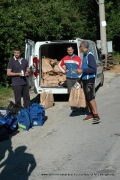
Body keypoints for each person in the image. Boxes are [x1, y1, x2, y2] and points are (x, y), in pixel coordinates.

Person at [75, 41, 101, 124]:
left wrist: (82, 70)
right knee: (86, 98)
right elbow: (85, 68)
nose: (79, 48)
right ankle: (91, 114)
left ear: (82, 46)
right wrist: (80, 78)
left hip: (90, 79)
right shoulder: (84, 55)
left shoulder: (89, 55)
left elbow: (93, 69)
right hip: (85, 78)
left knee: (90, 98)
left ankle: (96, 115)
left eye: (80, 47)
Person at [58, 45, 82, 112]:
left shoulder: (78, 58)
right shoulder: (65, 58)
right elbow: (59, 64)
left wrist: (80, 78)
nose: (70, 51)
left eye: (71, 50)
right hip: (69, 78)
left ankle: (79, 105)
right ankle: (73, 106)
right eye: (68, 50)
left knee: (77, 91)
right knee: (70, 92)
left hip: (76, 78)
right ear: (67, 51)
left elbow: (81, 68)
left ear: (73, 50)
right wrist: (64, 71)